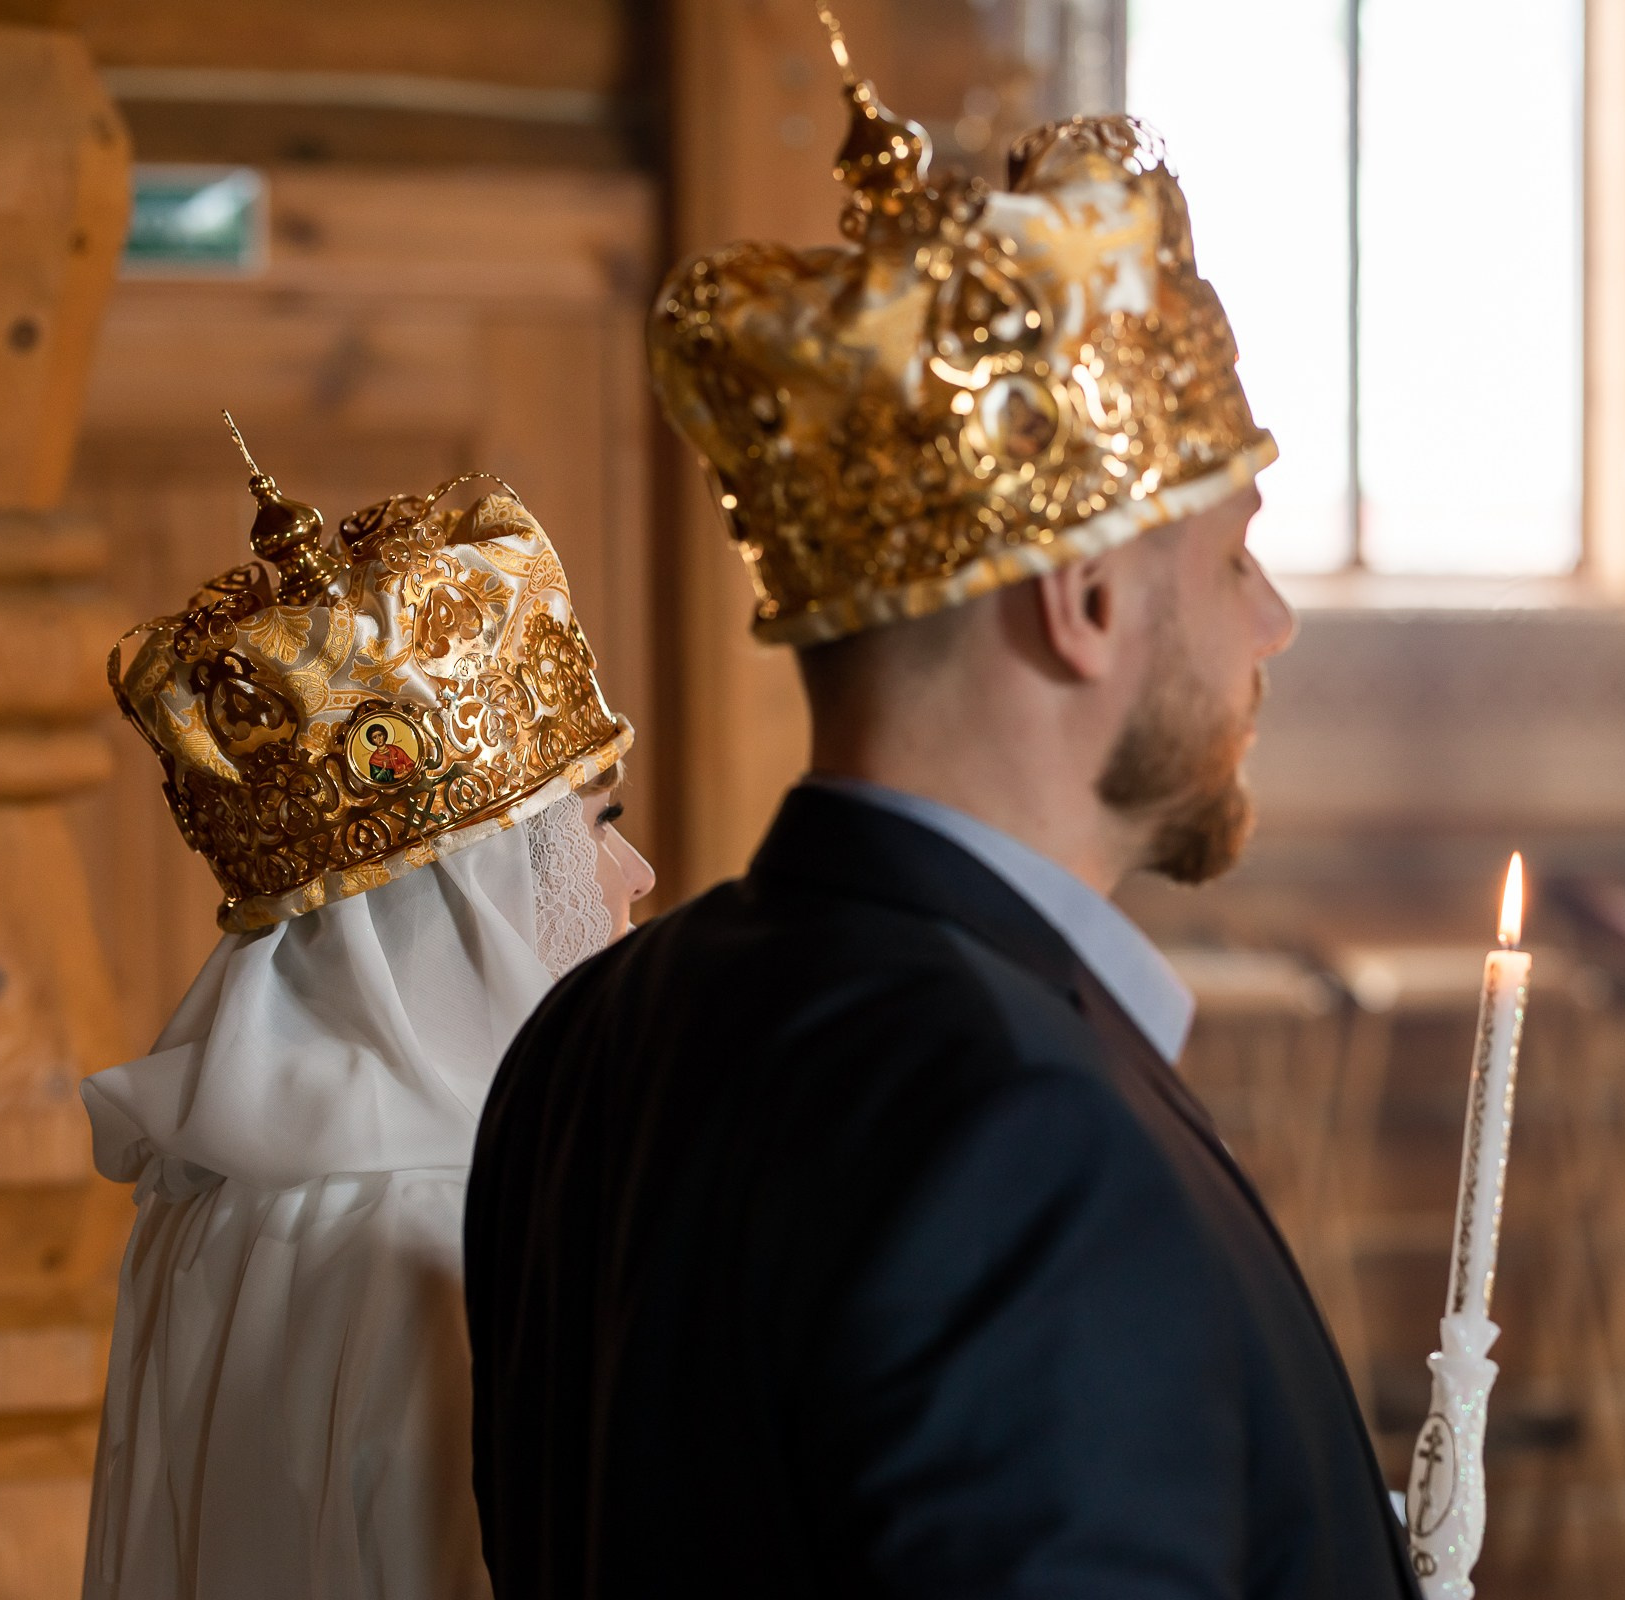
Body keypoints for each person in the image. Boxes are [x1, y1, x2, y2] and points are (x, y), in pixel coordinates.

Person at [464, 39, 1418, 1600]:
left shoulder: (596, 1033)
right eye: (1236, 556)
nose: (1274, 622)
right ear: (1088, 602)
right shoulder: (1024, 1131)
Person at [82, 445, 650, 1600]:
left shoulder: (224, 1190)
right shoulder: (445, 1227)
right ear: (475, 890)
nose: (635, 874)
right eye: (600, 822)